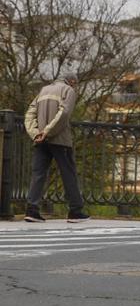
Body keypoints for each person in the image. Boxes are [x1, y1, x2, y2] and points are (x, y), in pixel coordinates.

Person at [23, 74, 89, 223]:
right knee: (68, 174)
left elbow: (29, 114)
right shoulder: (68, 91)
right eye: (75, 85)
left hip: (40, 141)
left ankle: (32, 211)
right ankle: (75, 211)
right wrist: (47, 131)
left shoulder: (43, 90)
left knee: (38, 174)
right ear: (72, 82)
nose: (75, 87)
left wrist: (36, 134)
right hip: (60, 140)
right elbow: (64, 113)